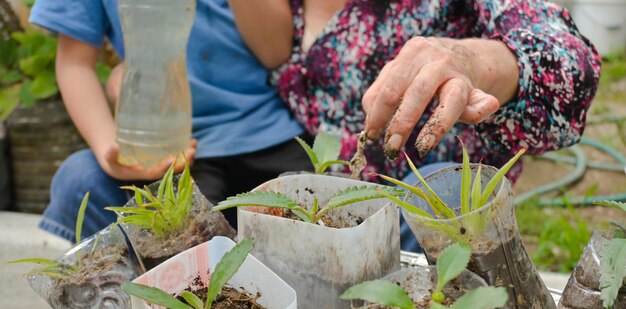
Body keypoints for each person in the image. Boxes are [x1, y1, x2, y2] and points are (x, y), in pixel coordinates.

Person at [230, 0, 601, 249]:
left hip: (429, 213)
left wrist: (475, 62)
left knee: (436, 198)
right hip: (329, 203)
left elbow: (572, 64)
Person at [29, 0, 312, 241]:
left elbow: (275, 50)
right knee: (80, 181)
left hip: (269, 133)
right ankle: (138, 298)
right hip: (166, 145)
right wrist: (111, 152)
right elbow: (75, 62)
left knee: (317, 224)